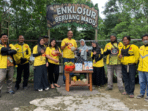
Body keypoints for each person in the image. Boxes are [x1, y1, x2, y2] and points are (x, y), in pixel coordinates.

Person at [137, 34, 148, 101]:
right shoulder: (141, 47)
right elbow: (139, 58)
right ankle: (142, 93)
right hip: (141, 69)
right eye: (144, 39)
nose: (145, 40)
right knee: (141, 82)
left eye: (146, 39)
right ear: (142, 40)